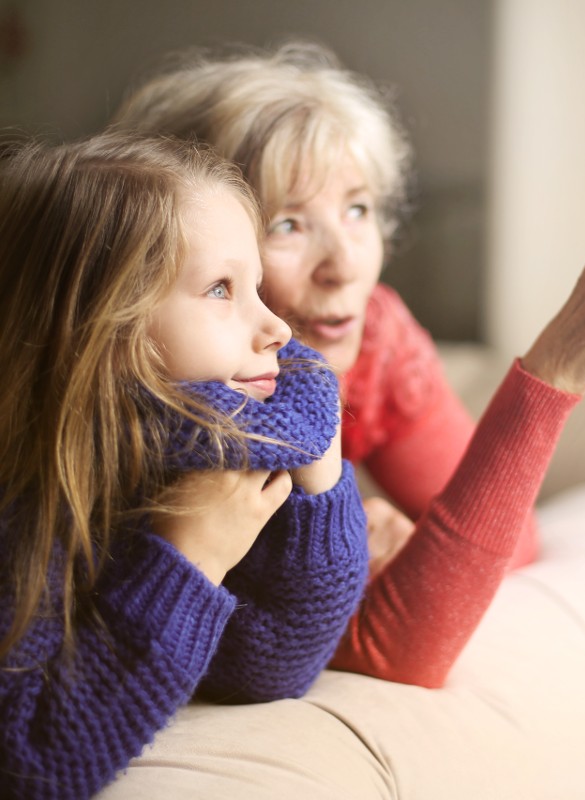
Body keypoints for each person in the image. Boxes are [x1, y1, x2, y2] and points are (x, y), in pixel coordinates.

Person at [111, 41, 585, 688]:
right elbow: (390, 650)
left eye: (357, 210)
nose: (346, 265)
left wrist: (385, 529)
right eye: (287, 224)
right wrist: (555, 368)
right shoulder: (189, 398)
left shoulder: (376, 336)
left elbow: (515, 540)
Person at [0, 132, 370, 800]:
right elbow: (35, 765)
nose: (276, 328)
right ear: (96, 329)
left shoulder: (200, 450)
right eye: (221, 289)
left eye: (256, 285)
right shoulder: (26, 499)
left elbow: (266, 668)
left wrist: (322, 482)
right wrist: (187, 561)